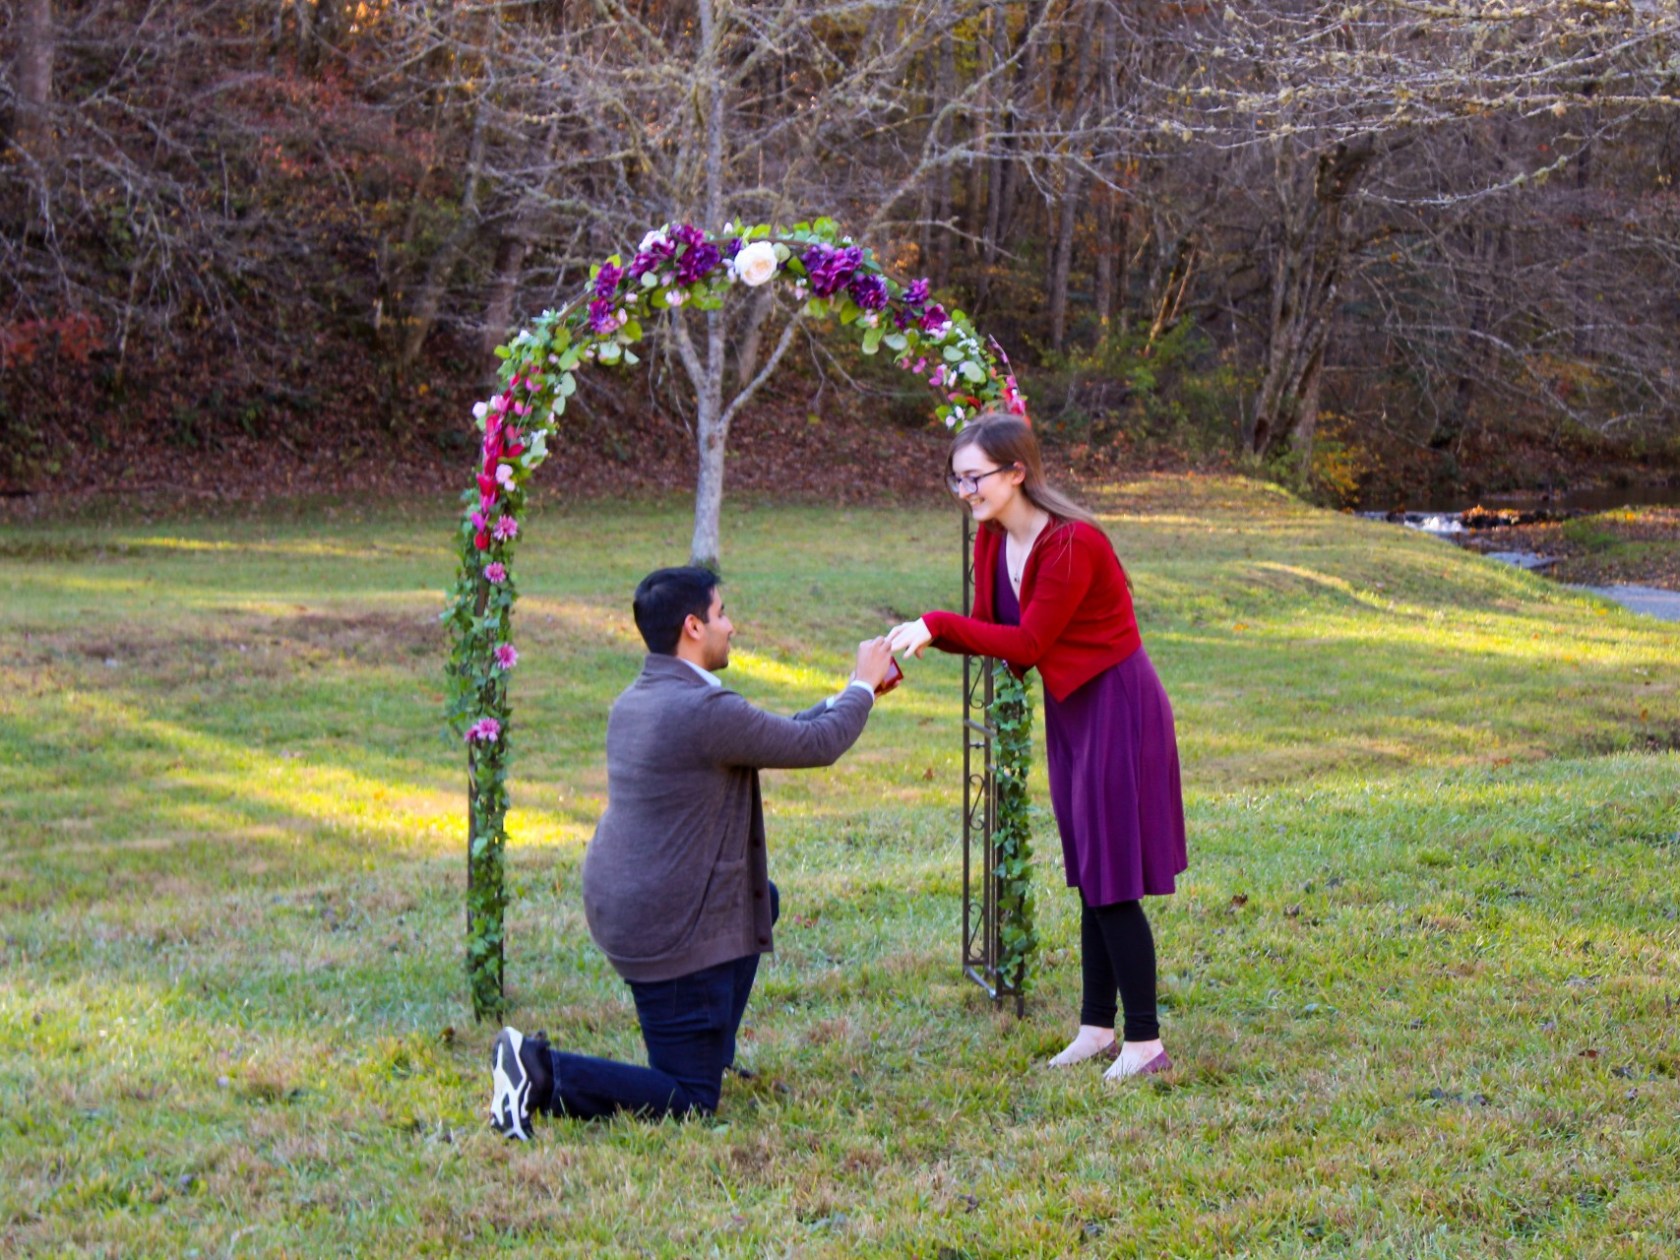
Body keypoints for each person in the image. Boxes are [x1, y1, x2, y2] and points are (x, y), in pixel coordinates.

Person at [490, 565, 896, 1139]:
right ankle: (538, 1071)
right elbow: (816, 744)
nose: (731, 625)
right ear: (692, 627)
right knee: (689, 1099)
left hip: (628, 906)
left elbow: (771, 733)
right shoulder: (701, 711)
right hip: (669, 926)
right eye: (721, 613)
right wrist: (860, 686)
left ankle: (708, 1047)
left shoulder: (644, 696)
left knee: (761, 901)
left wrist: (852, 695)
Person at [886, 412, 1187, 1081]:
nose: (965, 492)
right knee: (1090, 871)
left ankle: (1145, 1043)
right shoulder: (993, 541)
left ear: (1016, 471)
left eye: (975, 478)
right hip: (1072, 707)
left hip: (1119, 704)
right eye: (956, 480)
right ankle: (1095, 1027)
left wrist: (936, 625)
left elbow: (1026, 644)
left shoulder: (1074, 544)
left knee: (1112, 881)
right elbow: (994, 630)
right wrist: (930, 633)